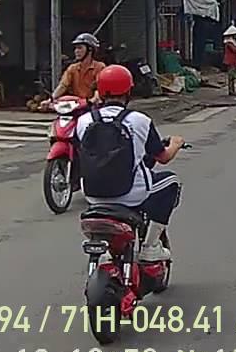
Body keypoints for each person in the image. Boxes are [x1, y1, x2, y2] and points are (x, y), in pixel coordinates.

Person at [76, 64, 185, 263]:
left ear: (100, 91)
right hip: (132, 195)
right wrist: (176, 144)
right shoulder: (139, 120)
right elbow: (162, 157)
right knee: (171, 181)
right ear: (128, 91)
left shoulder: (83, 121)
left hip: (93, 195)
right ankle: (151, 246)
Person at [43, 33, 104, 108]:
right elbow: (63, 86)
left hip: (93, 106)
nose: (76, 51)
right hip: (77, 105)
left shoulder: (99, 67)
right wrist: (50, 100)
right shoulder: (72, 68)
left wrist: (93, 100)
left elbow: (99, 88)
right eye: (76, 48)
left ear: (90, 49)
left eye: (80, 48)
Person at [222, 25, 236, 96]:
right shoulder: (229, 42)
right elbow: (235, 50)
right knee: (231, 76)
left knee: (232, 76)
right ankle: (231, 90)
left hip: (233, 60)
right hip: (230, 60)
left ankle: (232, 90)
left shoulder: (232, 42)